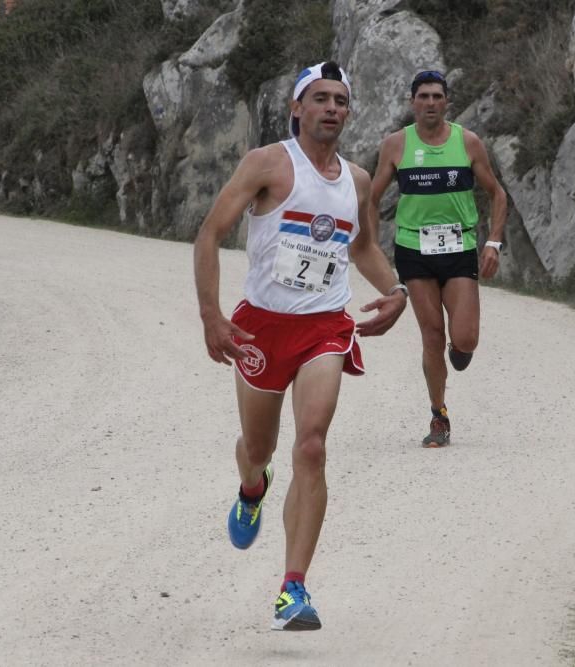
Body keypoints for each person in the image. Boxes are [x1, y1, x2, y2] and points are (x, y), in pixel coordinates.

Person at [193, 61, 407, 631]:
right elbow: (210, 233)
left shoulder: (358, 180)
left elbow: (362, 248)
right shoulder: (267, 164)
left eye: (341, 100)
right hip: (261, 328)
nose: (333, 108)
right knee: (258, 447)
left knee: (311, 447)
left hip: (323, 328)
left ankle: (293, 589)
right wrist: (211, 314)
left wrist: (396, 290)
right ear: (297, 108)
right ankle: (251, 486)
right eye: (321, 98)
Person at [369, 69, 508, 448]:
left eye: (437, 96)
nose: (430, 103)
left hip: (459, 248)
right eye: (423, 96)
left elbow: (497, 193)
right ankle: (438, 416)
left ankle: (458, 349)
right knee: (431, 334)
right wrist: (371, 245)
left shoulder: (468, 142)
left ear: (447, 101)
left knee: (464, 340)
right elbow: (371, 196)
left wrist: (493, 243)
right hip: (414, 251)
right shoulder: (396, 145)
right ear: (413, 102)